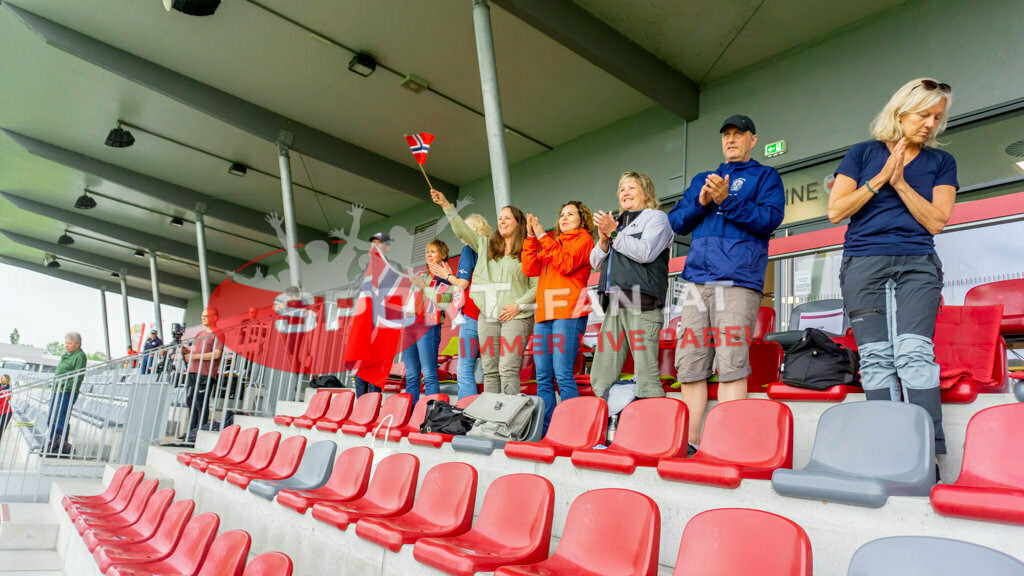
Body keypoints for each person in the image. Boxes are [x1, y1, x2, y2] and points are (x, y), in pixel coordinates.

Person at [827, 78, 957, 465]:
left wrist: (900, 183)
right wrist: (880, 179)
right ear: (900, 113)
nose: (930, 124)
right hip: (864, 263)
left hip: (916, 263)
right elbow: (836, 210)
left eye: (937, 117)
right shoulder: (863, 153)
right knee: (875, 358)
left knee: (915, 355)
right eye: (923, 115)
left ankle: (926, 457)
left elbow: (936, 222)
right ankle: (888, 453)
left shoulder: (941, 162)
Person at [668, 114, 785, 456]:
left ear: (753, 139)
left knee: (731, 363)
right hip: (696, 283)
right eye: (726, 135)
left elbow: (770, 220)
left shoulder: (766, 176)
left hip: (737, 280)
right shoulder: (703, 179)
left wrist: (727, 201)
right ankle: (689, 443)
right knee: (690, 366)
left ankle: (727, 445)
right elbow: (676, 222)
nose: (731, 139)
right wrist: (702, 201)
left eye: (739, 134)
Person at [431, 189, 537, 395]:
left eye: (507, 218)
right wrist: (446, 205)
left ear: (518, 222)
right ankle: (491, 418)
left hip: (516, 316)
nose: (502, 221)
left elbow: (537, 286)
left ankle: (508, 420)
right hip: (487, 316)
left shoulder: (528, 250)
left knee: (507, 369)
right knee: (489, 371)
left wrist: (518, 305)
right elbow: (462, 231)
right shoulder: (486, 247)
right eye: (499, 218)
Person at [589, 172, 675, 401]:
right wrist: (604, 238)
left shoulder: (656, 218)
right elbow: (595, 262)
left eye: (631, 188)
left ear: (645, 192)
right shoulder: (616, 222)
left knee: (646, 375)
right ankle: (597, 425)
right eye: (621, 189)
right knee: (600, 372)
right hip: (614, 303)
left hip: (642, 302)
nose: (624, 192)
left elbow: (645, 253)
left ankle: (655, 430)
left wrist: (614, 234)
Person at [522, 201, 595, 432]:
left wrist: (543, 236)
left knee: (563, 374)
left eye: (570, 214)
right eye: (562, 214)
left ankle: (572, 430)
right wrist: (530, 238)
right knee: (543, 376)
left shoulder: (584, 240)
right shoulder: (552, 244)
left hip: (569, 312)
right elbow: (529, 268)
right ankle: (547, 430)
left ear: (581, 219)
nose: (564, 217)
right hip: (545, 315)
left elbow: (565, 264)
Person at [428, 214, 491, 400]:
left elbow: (462, 284)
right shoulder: (491, 250)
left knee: (465, 369)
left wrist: (447, 275)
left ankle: (467, 414)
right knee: (491, 371)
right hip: (492, 315)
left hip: (472, 314)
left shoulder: (468, 249)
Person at [403, 239, 453, 402]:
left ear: (443, 255)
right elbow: (411, 299)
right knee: (411, 376)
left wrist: (425, 286)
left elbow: (443, 301)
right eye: (427, 252)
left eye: (433, 251)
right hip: (410, 326)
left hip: (428, 325)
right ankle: (410, 415)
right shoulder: (421, 276)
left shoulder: (446, 277)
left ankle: (431, 415)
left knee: (429, 375)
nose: (429, 255)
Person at [353, 232, 392, 397]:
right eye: (373, 242)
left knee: (374, 370)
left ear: (387, 248)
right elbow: (354, 293)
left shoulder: (391, 269)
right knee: (360, 370)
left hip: (379, 326)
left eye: (379, 243)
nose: (375, 245)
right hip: (363, 324)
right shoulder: (365, 270)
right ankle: (360, 411)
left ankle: (372, 410)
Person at [182, 307, 224, 443]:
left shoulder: (219, 333)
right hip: (193, 371)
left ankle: (199, 433)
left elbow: (216, 354)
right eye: (202, 315)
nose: (203, 318)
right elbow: (194, 350)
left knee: (201, 402)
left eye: (206, 315)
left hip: (206, 373)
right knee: (190, 401)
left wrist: (194, 355)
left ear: (215, 317)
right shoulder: (200, 333)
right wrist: (186, 351)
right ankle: (191, 432)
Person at [48, 331, 87, 454]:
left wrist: (65, 387)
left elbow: (78, 375)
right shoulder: (66, 354)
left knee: (60, 418)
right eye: (66, 343)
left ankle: (60, 445)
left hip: (66, 391)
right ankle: (53, 442)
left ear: (77, 344)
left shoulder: (79, 356)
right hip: (57, 389)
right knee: (51, 418)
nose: (67, 345)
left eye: (69, 343)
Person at [0, 374, 12, 445]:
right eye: (3, 378)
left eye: (5, 379)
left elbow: (8, 397)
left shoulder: (7, 388)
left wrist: (7, 394)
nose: (4, 380)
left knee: (0, 431)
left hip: (5, 412)